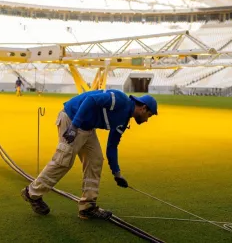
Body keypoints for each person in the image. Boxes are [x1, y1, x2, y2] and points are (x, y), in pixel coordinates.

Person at [21, 89, 157, 220]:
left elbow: (112, 146)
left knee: (95, 159)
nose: (146, 120)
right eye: (149, 115)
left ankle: (87, 207)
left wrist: (117, 174)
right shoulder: (120, 99)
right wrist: (74, 126)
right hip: (72, 117)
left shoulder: (123, 121)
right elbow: (91, 99)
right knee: (63, 160)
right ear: (143, 108)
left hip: (87, 127)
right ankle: (32, 193)